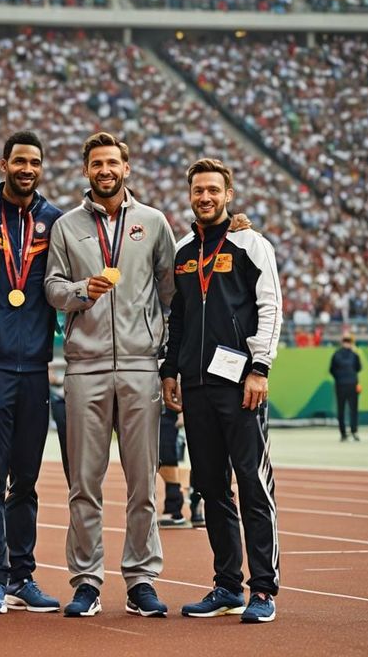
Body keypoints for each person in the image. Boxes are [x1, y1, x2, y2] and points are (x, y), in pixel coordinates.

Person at [44, 131, 175, 618]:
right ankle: (87, 581)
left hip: (142, 365)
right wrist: (83, 290)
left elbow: (169, 290)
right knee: (84, 482)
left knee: (143, 481)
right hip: (85, 366)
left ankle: (141, 579)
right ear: (85, 170)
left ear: (127, 168)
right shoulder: (66, 226)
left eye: (113, 163)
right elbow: (52, 289)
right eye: (96, 163)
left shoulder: (153, 222)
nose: (105, 170)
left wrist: (161, 350)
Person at [161, 158, 282, 624]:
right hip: (195, 386)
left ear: (228, 194)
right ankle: (228, 585)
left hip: (241, 386)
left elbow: (270, 307)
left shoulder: (252, 244)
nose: (205, 197)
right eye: (198, 191)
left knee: (252, 484)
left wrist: (260, 368)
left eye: (213, 190)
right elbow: (180, 317)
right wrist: (171, 370)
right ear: (190, 195)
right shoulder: (184, 249)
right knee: (211, 488)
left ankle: (264, 590)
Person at [0, 132, 65, 613]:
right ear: (4, 164)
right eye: (19, 161)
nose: (27, 169)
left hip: (37, 369)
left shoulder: (56, 222)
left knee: (25, 480)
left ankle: (23, 575)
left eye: (35, 162)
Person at [329, 332, 361, 441]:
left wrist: (338, 378)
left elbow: (332, 370)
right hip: (352, 384)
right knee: (353, 409)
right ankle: (354, 431)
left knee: (341, 410)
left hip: (340, 385)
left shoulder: (336, 354)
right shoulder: (354, 355)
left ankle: (343, 434)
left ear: (342, 342)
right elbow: (358, 368)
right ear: (351, 342)